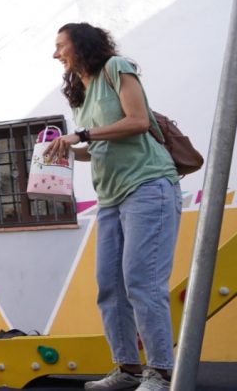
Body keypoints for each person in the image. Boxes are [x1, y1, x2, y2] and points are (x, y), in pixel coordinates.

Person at [45, 23, 181, 391]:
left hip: (148, 185)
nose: (56, 54)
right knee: (109, 285)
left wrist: (82, 134)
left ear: (81, 45)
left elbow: (136, 122)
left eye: (61, 46)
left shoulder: (116, 68)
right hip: (110, 196)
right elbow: (97, 148)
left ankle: (161, 371)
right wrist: (68, 151)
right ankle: (127, 368)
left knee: (142, 281)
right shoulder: (80, 93)